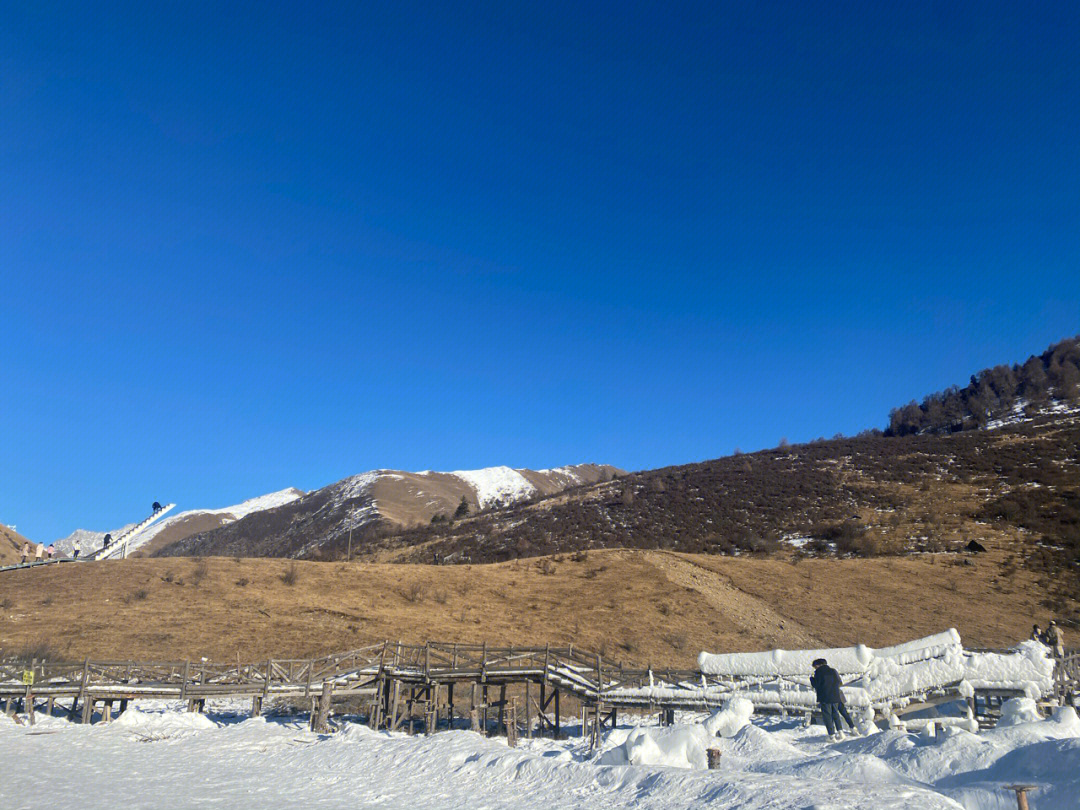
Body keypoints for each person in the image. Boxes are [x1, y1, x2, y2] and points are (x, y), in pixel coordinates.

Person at [811, 658, 857, 740]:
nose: (815, 668)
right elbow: (839, 682)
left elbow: (816, 685)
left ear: (818, 665)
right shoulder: (833, 671)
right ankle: (841, 732)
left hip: (825, 697)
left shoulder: (819, 672)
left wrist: (812, 679)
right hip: (836, 696)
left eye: (815, 667)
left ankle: (831, 736)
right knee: (836, 714)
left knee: (827, 716)